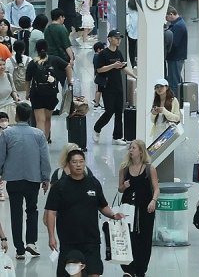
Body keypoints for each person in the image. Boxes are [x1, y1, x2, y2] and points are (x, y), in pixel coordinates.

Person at [45, 149, 125, 277]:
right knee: (70, 273)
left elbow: (102, 205)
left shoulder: (93, 183)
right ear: (68, 164)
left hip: (91, 239)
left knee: (94, 272)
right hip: (69, 240)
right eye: (75, 162)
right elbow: (51, 212)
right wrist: (51, 236)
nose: (78, 165)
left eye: (81, 162)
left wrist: (113, 215)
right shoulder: (59, 186)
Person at [0, 103, 50, 259]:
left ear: (16, 116)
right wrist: (45, 177)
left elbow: (0, 156)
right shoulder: (38, 134)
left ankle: (19, 248)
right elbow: (44, 158)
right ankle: (31, 242)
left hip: (13, 179)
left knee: (16, 213)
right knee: (32, 210)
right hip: (33, 179)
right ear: (30, 115)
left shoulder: (7, 134)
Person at [118, 140, 159, 277]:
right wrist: (125, 186)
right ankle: (129, 269)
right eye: (130, 148)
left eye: (134, 148)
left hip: (145, 209)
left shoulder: (149, 168)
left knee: (145, 239)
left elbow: (156, 188)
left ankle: (141, 269)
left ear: (141, 151)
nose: (131, 150)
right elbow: (120, 189)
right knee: (129, 237)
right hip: (128, 208)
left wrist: (153, 201)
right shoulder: (124, 168)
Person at [93, 30, 136, 145]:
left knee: (119, 112)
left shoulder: (119, 53)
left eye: (120, 38)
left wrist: (135, 76)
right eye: (116, 38)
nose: (118, 40)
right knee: (109, 111)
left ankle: (117, 137)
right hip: (107, 87)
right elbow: (99, 69)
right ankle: (97, 128)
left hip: (118, 86)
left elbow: (123, 67)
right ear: (109, 39)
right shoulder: (103, 54)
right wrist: (113, 65)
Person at [165, 6, 188, 93]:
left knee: (174, 81)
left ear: (171, 14)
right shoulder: (177, 24)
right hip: (176, 57)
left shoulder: (178, 26)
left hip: (176, 57)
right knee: (176, 77)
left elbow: (174, 43)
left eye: (166, 17)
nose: (166, 19)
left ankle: (175, 99)